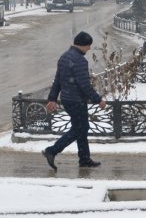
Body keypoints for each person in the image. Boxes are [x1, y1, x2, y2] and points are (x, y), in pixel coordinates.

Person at [42, 31, 106, 171]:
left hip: (67, 99)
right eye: (88, 46)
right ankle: (52, 151)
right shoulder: (79, 61)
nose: (89, 49)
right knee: (80, 129)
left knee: (81, 129)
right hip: (76, 101)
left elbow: (58, 80)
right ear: (83, 45)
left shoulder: (64, 57)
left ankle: (84, 159)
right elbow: (84, 85)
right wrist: (98, 100)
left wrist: (53, 98)